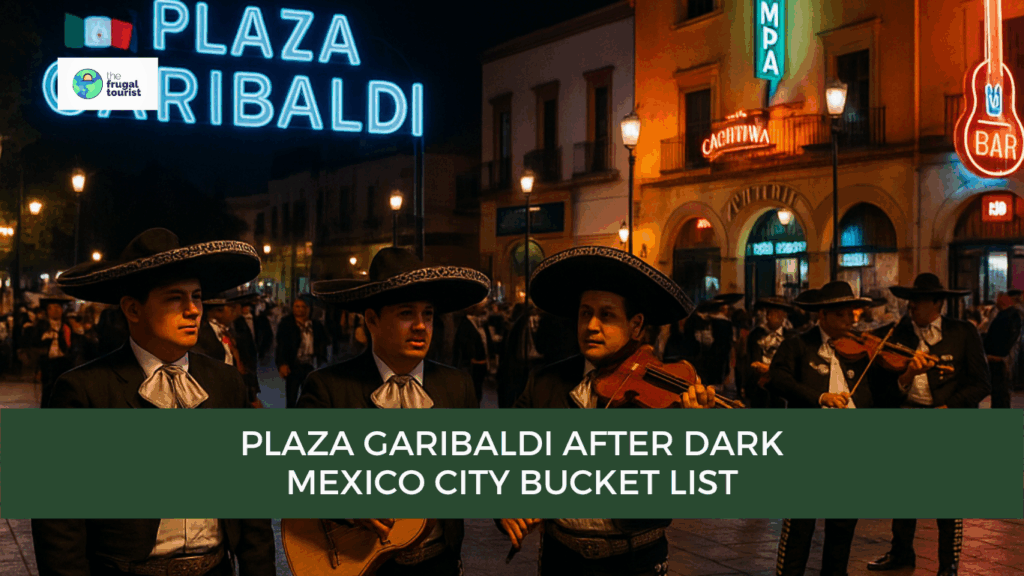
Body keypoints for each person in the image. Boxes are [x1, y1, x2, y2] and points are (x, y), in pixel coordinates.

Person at [34, 228, 274, 576]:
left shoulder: (225, 382)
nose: (193, 310)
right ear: (133, 309)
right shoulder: (83, 389)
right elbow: (58, 523)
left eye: (197, 297)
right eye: (175, 298)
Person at [503, 245, 715, 576]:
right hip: (561, 559)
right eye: (585, 313)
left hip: (635, 561)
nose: (591, 325)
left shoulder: (662, 394)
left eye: (607, 315)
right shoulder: (544, 382)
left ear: (636, 325)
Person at [297, 248, 488, 575]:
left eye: (428, 314)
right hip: (362, 563)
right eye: (405, 313)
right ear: (372, 319)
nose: (421, 326)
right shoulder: (329, 387)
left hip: (438, 562)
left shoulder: (457, 386)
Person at [866, 273, 990, 576]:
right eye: (911, 300)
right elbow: (882, 388)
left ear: (938, 303)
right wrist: (906, 376)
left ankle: (948, 563)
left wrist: (950, 407)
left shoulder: (962, 332)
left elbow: (981, 383)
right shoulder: (896, 335)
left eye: (920, 301)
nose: (912, 306)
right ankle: (901, 553)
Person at [768, 281, 875, 576]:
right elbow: (778, 378)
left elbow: (879, 392)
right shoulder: (798, 345)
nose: (850, 321)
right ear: (823, 315)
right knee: (800, 526)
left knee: (843, 525)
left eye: (852, 314)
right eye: (842, 315)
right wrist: (820, 397)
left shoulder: (861, 352)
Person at [275, 295, 328, 408]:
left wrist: (321, 358)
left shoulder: (315, 325)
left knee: (310, 396)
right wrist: (282, 363)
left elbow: (323, 341)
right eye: (297, 306)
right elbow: (281, 345)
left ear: (308, 308)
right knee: (291, 397)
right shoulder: (286, 323)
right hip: (294, 365)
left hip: (310, 365)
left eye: (303, 306)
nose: (299, 309)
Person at [743, 296, 794, 408]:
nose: (770, 316)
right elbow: (750, 359)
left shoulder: (790, 337)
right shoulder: (756, 334)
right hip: (759, 386)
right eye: (768, 312)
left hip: (781, 386)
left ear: (783, 315)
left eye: (775, 312)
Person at [30, 290, 77, 403]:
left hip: (64, 362)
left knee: (62, 392)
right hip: (48, 363)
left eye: (58, 307)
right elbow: (34, 343)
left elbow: (73, 344)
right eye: (53, 307)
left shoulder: (67, 325)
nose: (56, 310)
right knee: (47, 391)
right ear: (48, 310)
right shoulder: (42, 325)